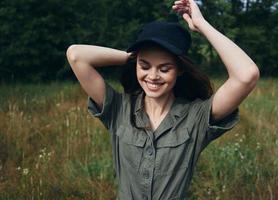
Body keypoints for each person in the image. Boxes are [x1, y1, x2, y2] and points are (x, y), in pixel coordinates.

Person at [66, 0, 260, 199]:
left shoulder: (197, 117)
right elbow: (76, 55)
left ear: (180, 69)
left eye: (164, 68)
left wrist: (201, 25)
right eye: (145, 66)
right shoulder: (118, 108)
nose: (153, 76)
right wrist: (131, 57)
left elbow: (246, 75)